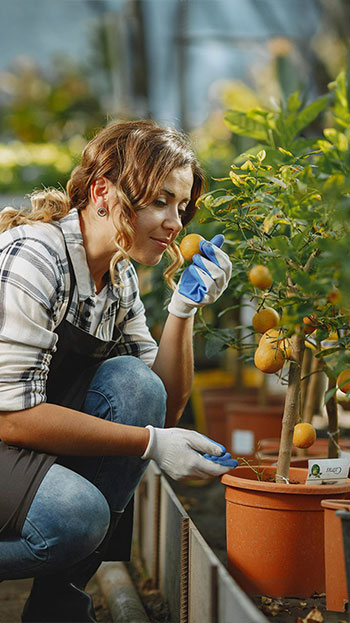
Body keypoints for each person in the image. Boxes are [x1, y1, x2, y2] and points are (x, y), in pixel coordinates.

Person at [0, 119, 236, 623]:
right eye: (159, 200)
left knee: (132, 382)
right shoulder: (36, 255)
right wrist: (151, 444)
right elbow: (12, 418)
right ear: (103, 191)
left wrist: (183, 310)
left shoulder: (120, 276)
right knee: (76, 516)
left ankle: (56, 608)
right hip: (7, 432)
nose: (176, 223)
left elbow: (160, 402)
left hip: (20, 448)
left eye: (181, 206)